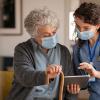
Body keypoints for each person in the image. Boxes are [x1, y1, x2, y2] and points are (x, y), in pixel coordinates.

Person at [7, 8, 78, 100]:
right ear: (34, 35)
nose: (52, 37)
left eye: (54, 32)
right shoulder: (22, 49)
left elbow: (69, 80)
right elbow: (24, 75)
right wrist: (46, 75)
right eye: (46, 35)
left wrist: (72, 92)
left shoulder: (64, 51)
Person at [72, 2, 100, 100]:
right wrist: (76, 86)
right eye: (78, 27)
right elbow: (77, 75)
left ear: (97, 25)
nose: (81, 31)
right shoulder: (77, 48)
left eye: (86, 28)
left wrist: (95, 73)